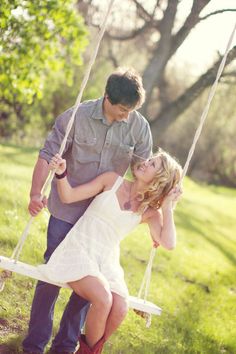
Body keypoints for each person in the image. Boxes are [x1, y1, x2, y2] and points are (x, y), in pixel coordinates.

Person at [23, 68, 153, 354]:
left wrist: (161, 203)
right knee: (52, 276)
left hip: (101, 220)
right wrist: (36, 192)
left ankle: (65, 346)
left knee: (89, 290)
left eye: (131, 110)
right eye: (122, 109)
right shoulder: (76, 117)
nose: (126, 115)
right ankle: (34, 344)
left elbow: (146, 174)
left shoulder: (138, 127)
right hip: (66, 209)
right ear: (107, 97)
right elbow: (48, 155)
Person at [38, 150, 182, 354]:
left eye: (152, 164)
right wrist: (61, 174)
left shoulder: (148, 211)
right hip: (79, 248)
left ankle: (87, 351)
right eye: (149, 159)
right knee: (103, 299)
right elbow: (68, 196)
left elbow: (169, 243)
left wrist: (168, 207)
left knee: (120, 308)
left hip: (106, 261)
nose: (144, 163)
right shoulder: (112, 181)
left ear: (159, 179)